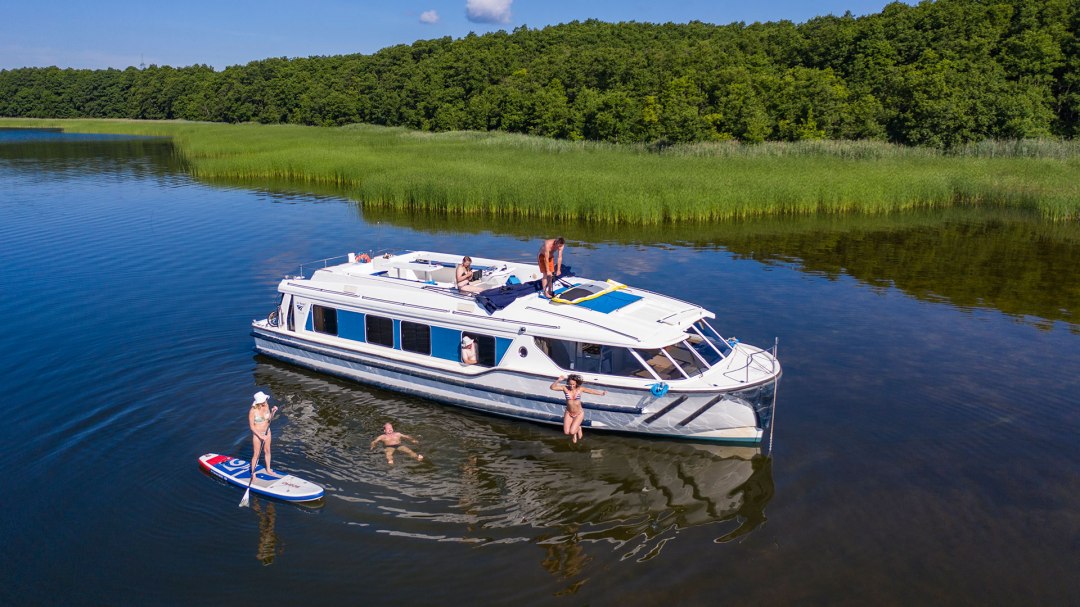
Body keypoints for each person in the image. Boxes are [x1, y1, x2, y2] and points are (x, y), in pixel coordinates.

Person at [549, 374, 606, 443]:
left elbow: (591, 391)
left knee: (572, 432)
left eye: (573, 384)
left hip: (579, 413)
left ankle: (578, 428)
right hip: (569, 413)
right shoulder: (565, 388)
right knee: (566, 432)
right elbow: (552, 387)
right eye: (570, 384)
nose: (571, 386)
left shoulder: (580, 389)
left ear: (576, 383)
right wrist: (558, 380)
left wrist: (601, 393)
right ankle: (576, 430)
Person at [249, 391, 280, 477]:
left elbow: (269, 419)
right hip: (257, 434)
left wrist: (273, 412)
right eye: (264, 399)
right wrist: (260, 435)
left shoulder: (266, 406)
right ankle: (253, 473)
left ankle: (268, 469)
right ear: (259, 402)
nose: (266, 400)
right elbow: (252, 427)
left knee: (267, 451)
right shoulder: (253, 411)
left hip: (267, 432)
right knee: (256, 454)